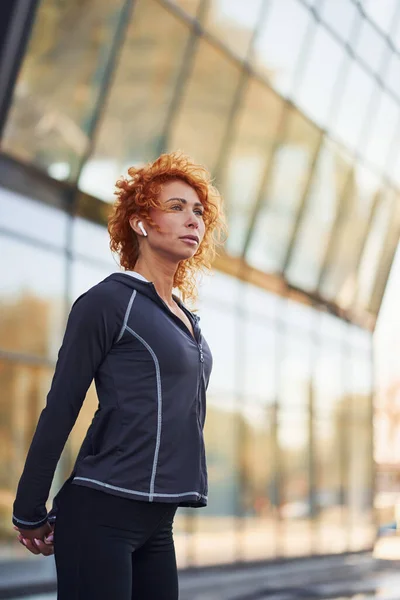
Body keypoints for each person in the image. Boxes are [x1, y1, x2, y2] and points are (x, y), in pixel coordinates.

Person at [12, 151, 225, 599]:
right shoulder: (108, 303)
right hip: (100, 513)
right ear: (140, 222)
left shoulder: (187, 320)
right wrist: (29, 509)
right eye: (176, 207)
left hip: (158, 522)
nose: (193, 219)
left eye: (199, 211)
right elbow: (62, 406)